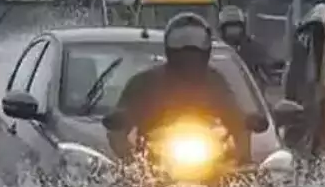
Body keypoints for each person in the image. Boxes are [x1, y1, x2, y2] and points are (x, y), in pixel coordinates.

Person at [107, 12, 256, 164]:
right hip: (153, 165)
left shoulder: (215, 82)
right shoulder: (145, 83)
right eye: (181, 43)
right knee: (120, 184)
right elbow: (117, 129)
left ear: (206, 47)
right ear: (169, 46)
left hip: (210, 162)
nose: (189, 51)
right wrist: (130, 161)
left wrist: (241, 156)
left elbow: (236, 118)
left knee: (246, 182)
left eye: (196, 44)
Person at [215, 6, 270, 79]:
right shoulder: (215, 50)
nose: (233, 31)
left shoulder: (255, 50)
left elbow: (266, 76)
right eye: (230, 28)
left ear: (243, 28)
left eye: (236, 27)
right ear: (222, 30)